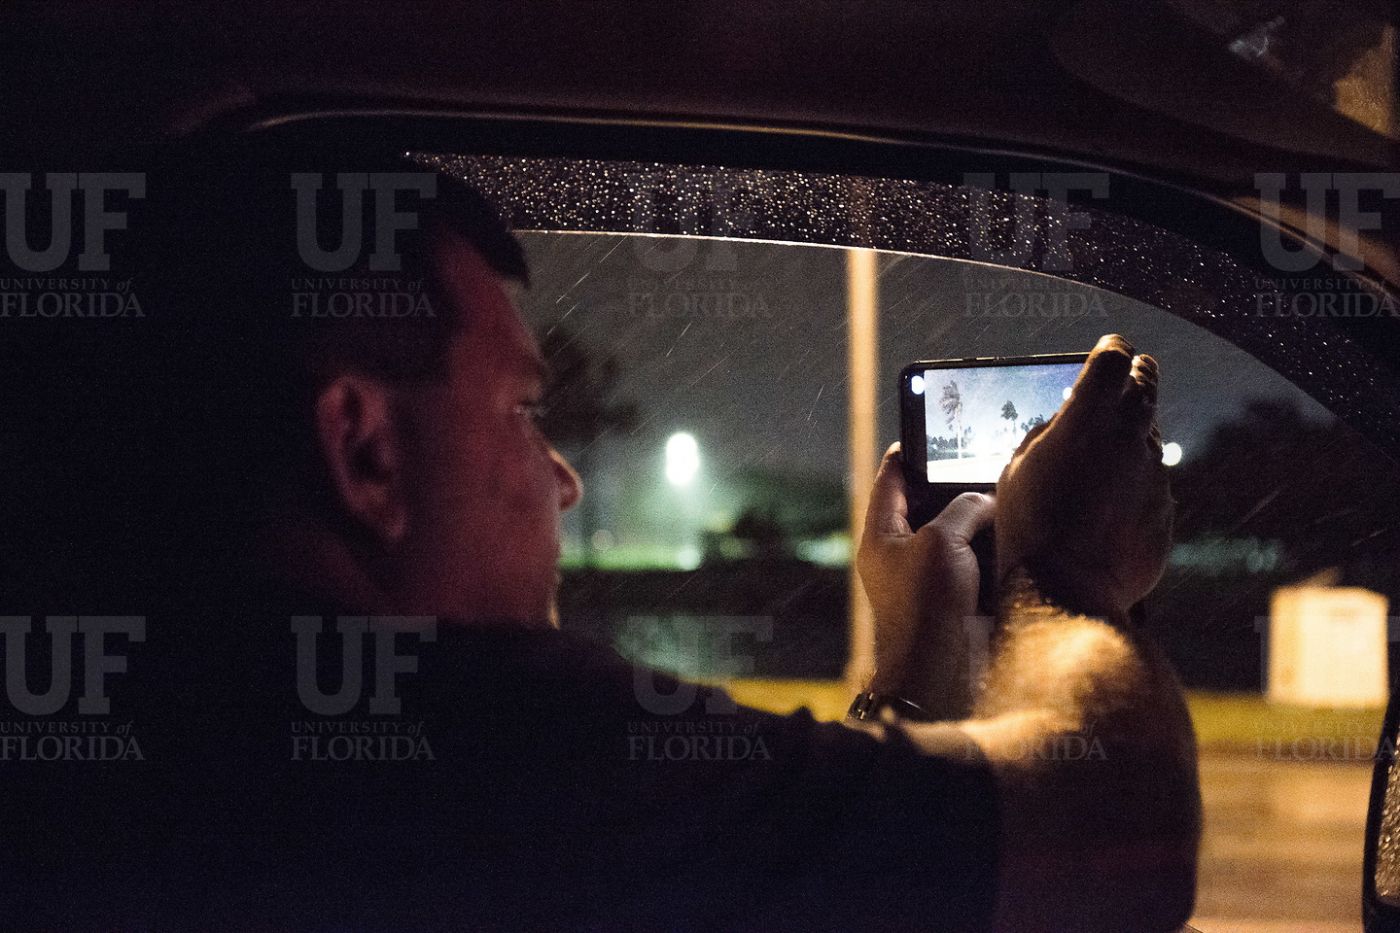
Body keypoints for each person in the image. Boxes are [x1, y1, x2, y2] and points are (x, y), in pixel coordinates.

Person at [12, 146, 1200, 931]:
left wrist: (921, 639)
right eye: (524, 414)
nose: (564, 481)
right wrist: (1069, 570)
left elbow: (809, 881)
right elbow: (1120, 849)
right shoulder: (464, 733)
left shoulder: (188, 721)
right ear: (365, 452)